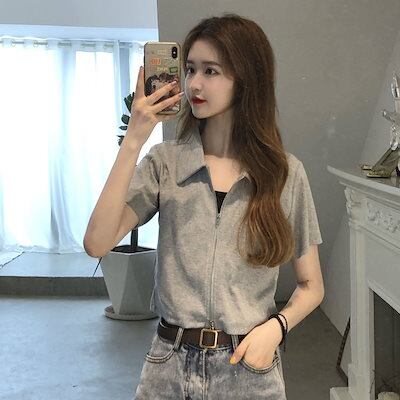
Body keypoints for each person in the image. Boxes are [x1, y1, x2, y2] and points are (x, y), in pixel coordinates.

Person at [84, 12, 324, 400]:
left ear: (246, 79)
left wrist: (276, 328)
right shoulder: (165, 163)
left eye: (211, 71)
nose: (194, 83)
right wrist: (134, 140)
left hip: (249, 366)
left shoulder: (285, 174)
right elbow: (97, 243)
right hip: (169, 364)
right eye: (191, 69)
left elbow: (312, 286)